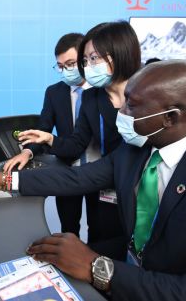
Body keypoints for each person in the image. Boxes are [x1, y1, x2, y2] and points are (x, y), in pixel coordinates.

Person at [0, 60, 186, 301]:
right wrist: (7, 181)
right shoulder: (137, 148)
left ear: (170, 117)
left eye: (131, 105)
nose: (121, 111)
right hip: (133, 269)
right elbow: (79, 178)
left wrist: (98, 269)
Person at [14, 20, 141, 243]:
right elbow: (72, 140)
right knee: (78, 230)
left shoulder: (144, 92)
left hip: (122, 179)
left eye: (92, 59)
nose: (87, 66)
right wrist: (44, 142)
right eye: (85, 61)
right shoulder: (82, 97)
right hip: (80, 171)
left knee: (109, 231)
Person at [4, 32, 96, 238]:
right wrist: (27, 152)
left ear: (85, 59)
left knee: (99, 229)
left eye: (71, 64)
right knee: (69, 229)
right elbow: (43, 128)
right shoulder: (54, 92)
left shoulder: (102, 91)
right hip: (67, 170)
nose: (66, 71)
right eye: (61, 66)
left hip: (100, 172)